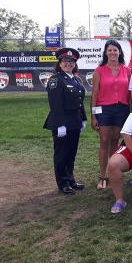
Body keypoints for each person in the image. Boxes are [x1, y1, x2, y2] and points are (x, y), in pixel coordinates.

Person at [44, 48, 87, 195]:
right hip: (61, 122)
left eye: (71, 61)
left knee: (71, 153)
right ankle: (62, 183)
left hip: (74, 122)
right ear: (60, 63)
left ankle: (70, 179)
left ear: (75, 64)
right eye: (65, 61)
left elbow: (80, 101)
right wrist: (60, 125)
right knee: (62, 153)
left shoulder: (75, 79)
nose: (68, 64)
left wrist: (83, 119)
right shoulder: (56, 79)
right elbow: (55, 105)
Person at [91, 39, 131, 190]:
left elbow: (129, 93)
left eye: (115, 50)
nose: (113, 53)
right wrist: (94, 116)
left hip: (122, 110)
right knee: (104, 140)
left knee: (115, 141)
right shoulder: (99, 70)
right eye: (110, 50)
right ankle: (103, 176)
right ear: (105, 52)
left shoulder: (127, 70)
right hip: (104, 110)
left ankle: (113, 172)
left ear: (119, 52)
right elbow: (94, 94)